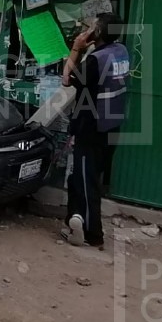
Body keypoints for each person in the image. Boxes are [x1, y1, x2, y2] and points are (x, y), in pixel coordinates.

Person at [60, 13, 129, 249]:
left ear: (96, 33)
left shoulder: (95, 61)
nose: (86, 29)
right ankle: (75, 220)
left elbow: (67, 78)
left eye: (90, 26)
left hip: (91, 128)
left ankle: (93, 234)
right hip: (112, 124)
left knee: (86, 181)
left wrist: (76, 48)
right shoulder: (121, 51)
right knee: (82, 177)